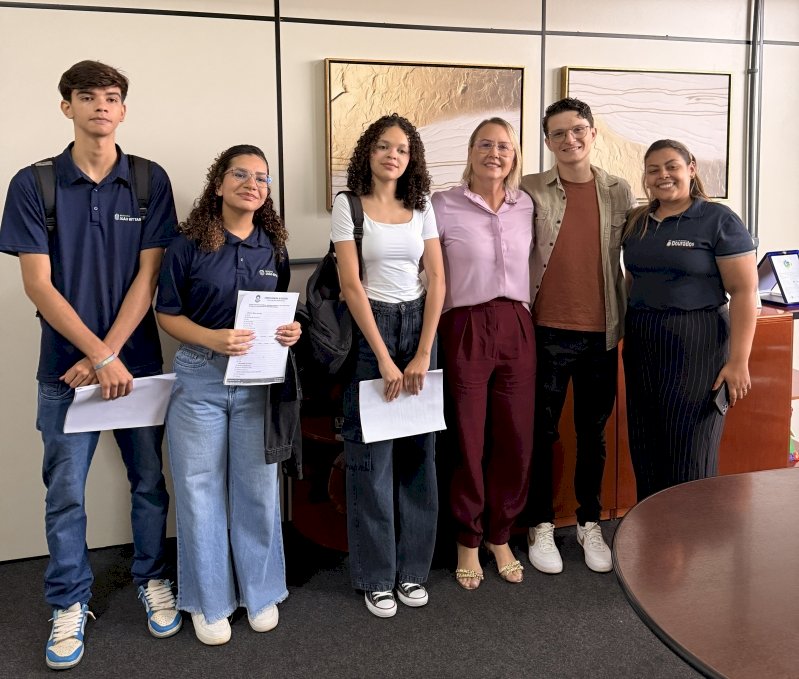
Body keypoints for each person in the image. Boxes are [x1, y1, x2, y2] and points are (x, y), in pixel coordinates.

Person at [0, 60, 181, 670]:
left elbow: (148, 279)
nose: (100, 105)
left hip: (137, 369)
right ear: (67, 107)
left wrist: (109, 356)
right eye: (87, 96)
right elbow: (38, 284)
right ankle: (69, 601)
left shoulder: (150, 181)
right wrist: (98, 356)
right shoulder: (34, 183)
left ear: (123, 110)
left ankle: (153, 577)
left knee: (149, 483)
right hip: (64, 371)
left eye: (111, 97)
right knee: (64, 494)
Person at [155, 144, 301, 645]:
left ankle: (260, 592)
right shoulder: (187, 244)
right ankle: (209, 601)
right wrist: (211, 339)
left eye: (261, 178)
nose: (251, 184)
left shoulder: (272, 247)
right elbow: (167, 314)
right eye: (240, 174)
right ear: (218, 183)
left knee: (257, 488)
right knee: (199, 491)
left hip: (257, 380)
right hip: (200, 377)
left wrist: (290, 331)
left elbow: (280, 310)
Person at [332, 114, 445, 618]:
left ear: (411, 157)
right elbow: (351, 285)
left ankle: (413, 571)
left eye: (401, 148)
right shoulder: (349, 205)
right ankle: (377, 577)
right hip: (370, 332)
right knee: (371, 461)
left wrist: (422, 352)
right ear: (368, 152)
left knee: (421, 456)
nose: (392, 155)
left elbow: (437, 278)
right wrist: (382, 356)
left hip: (419, 327)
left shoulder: (422, 205)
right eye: (383, 146)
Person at [521, 98, 635, 575]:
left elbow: (633, 256)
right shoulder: (528, 188)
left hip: (601, 334)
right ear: (548, 141)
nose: (569, 140)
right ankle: (540, 523)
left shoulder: (618, 190)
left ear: (592, 133)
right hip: (544, 330)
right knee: (540, 433)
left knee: (593, 433)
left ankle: (590, 522)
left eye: (577, 130)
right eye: (558, 133)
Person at [622, 139, 757, 500]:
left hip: (697, 344)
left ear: (691, 169)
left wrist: (739, 361)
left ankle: (691, 533)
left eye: (672, 166)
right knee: (645, 445)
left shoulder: (718, 219)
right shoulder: (638, 222)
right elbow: (632, 280)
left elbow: (744, 292)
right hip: (642, 341)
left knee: (690, 452)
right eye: (653, 170)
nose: (662, 175)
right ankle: (651, 530)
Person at [432, 118, 534, 590]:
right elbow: (426, 270)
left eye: (504, 147)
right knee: (467, 438)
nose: (495, 153)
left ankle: (500, 534)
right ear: (471, 151)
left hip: (517, 324)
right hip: (465, 324)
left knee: (515, 437)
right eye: (486, 145)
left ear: (515, 156)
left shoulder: (526, 204)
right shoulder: (442, 204)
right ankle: (468, 539)